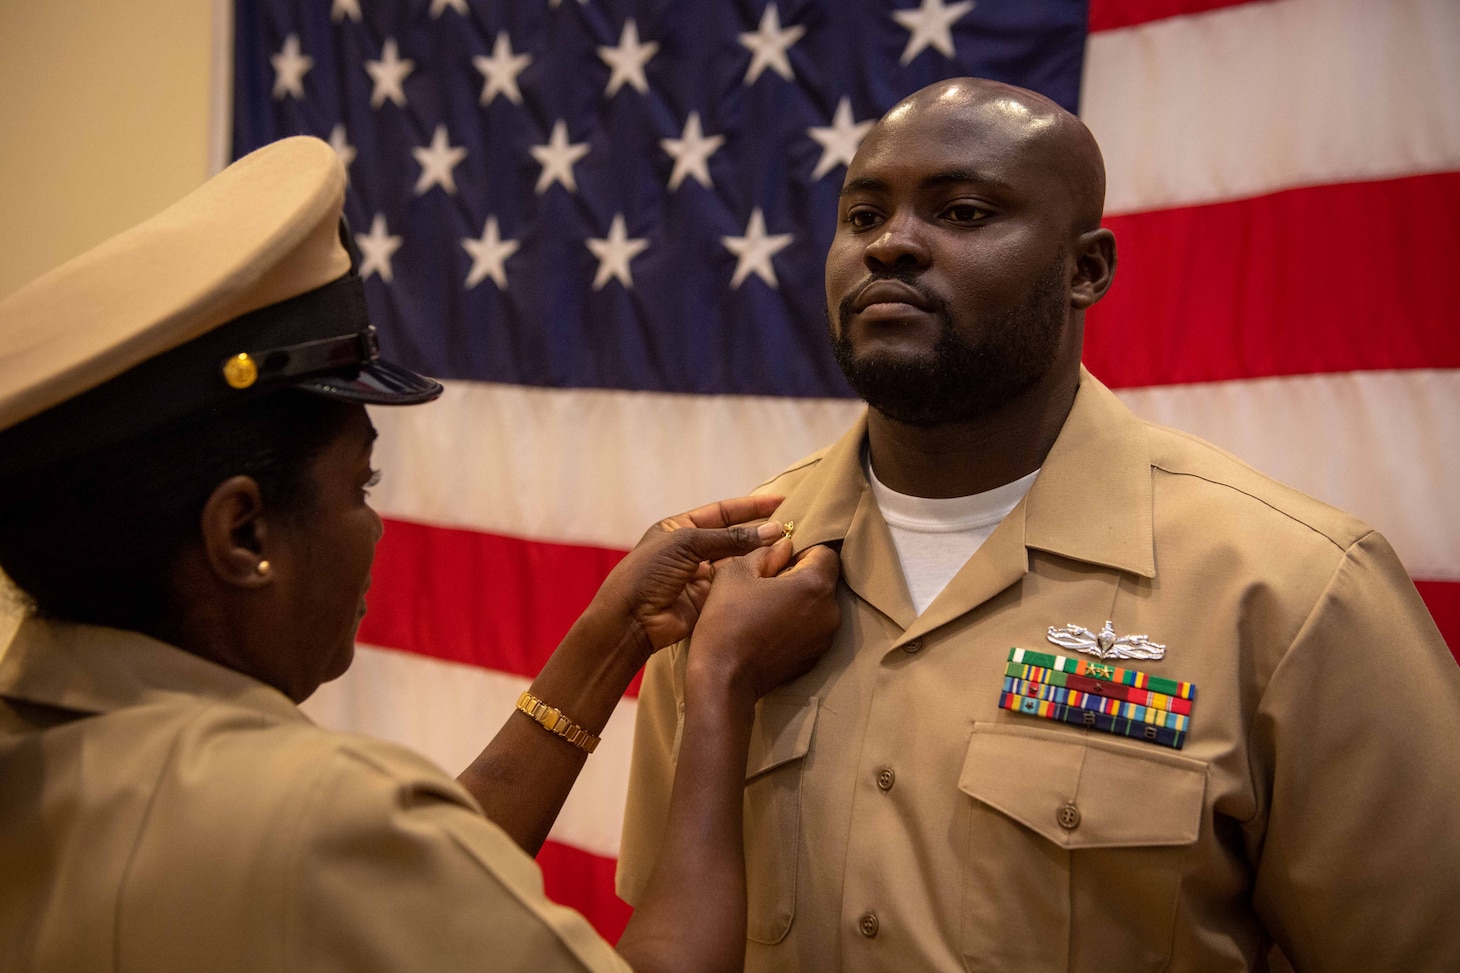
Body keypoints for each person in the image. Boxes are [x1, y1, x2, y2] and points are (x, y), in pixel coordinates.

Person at [617, 78, 1460, 971]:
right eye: (863, 216)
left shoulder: (1291, 587)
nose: (892, 245)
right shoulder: (734, 573)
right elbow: (672, 924)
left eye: (965, 211)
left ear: (1084, 269)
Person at [0, 136, 842, 973]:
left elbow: (405, 904)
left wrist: (612, 634)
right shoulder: (308, 816)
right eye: (360, 487)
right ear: (243, 534)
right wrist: (722, 678)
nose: (374, 527)